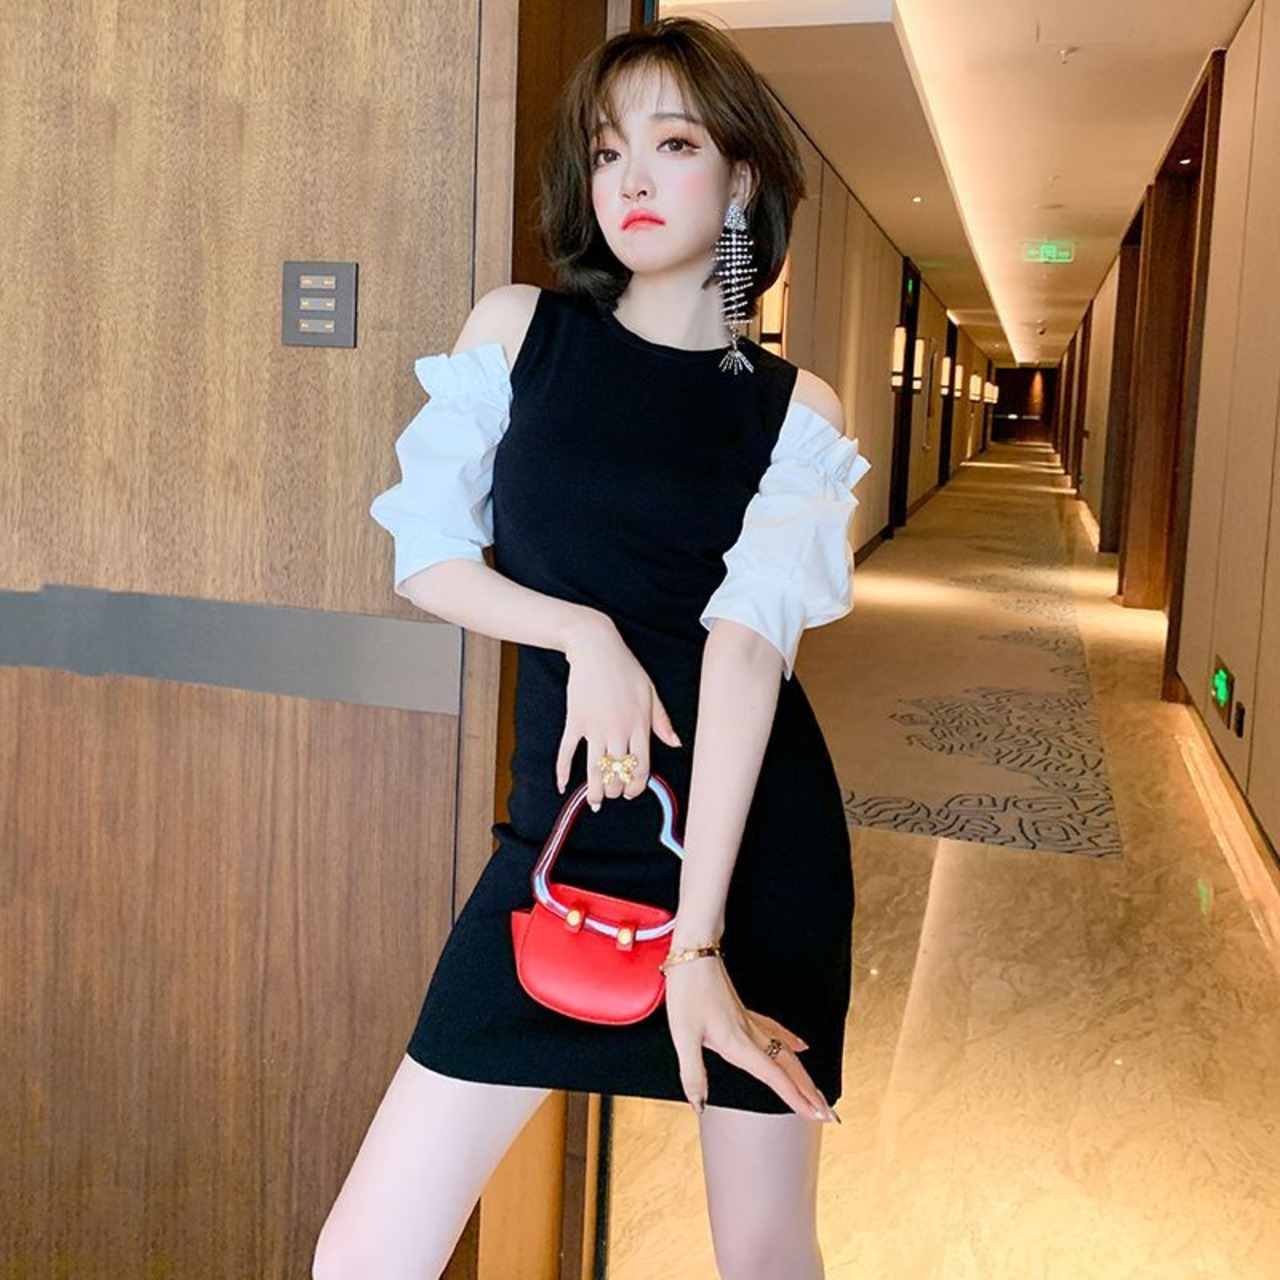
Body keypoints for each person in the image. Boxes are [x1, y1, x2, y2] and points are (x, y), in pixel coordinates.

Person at [313, 15, 871, 1280]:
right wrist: (582, 631)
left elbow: (744, 657)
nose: (629, 177)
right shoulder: (520, 332)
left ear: (740, 179)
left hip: (742, 854)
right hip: (559, 839)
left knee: (764, 1251)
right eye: (608, 150)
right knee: (366, 1252)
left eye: (672, 144)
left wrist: (696, 944)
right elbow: (424, 555)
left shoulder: (795, 408)